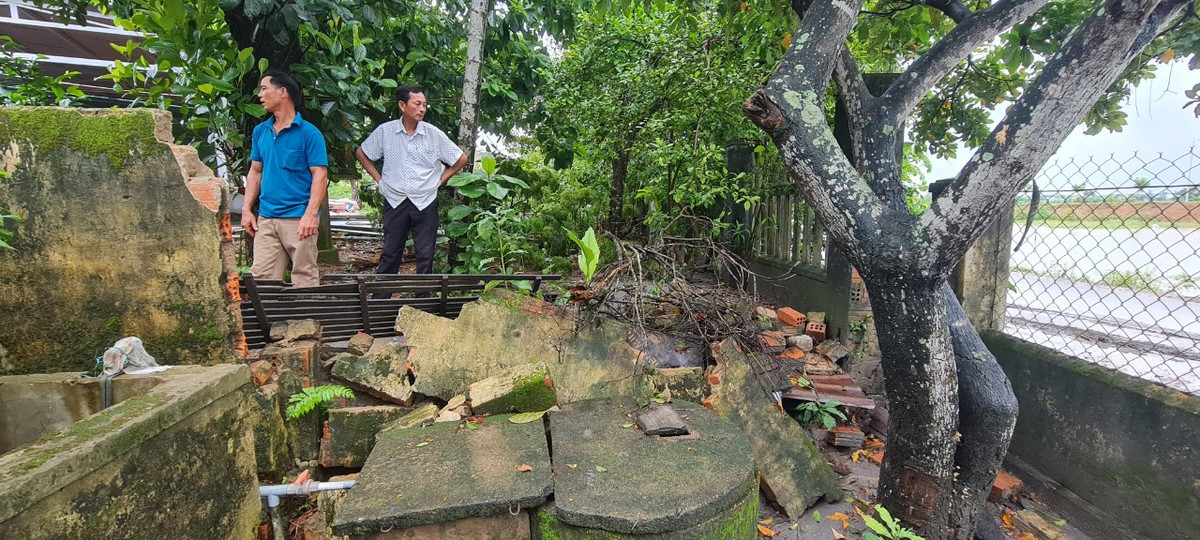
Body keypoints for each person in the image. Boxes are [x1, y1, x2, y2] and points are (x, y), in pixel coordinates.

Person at [356, 85, 467, 280]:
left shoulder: (433, 134)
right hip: (395, 200)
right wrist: (379, 180)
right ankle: (381, 295)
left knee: (425, 254)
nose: (422, 109)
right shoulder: (386, 132)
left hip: (425, 201)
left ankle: (423, 296)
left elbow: (461, 158)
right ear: (402, 105)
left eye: (425, 105)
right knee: (390, 253)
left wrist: (440, 181)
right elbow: (362, 153)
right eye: (417, 104)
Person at [241, 69, 329, 288]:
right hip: (266, 217)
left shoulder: (309, 133)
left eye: (264, 89)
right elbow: (256, 171)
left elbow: (320, 175)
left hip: (299, 218)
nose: (260, 95)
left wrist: (311, 214)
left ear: (282, 92)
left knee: (304, 275)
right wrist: (246, 209)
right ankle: (269, 313)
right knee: (262, 278)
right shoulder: (261, 131)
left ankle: (307, 312)